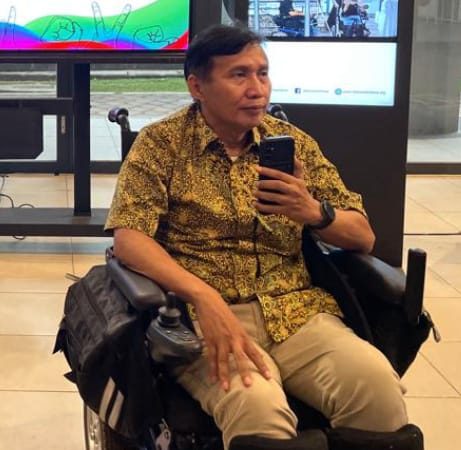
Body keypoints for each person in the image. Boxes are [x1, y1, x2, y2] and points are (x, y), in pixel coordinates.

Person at [105, 24, 419, 450]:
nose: (257, 89)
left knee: (378, 390)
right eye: (239, 75)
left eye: (263, 73)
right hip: (206, 317)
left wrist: (312, 211)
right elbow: (129, 238)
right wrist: (202, 296)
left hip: (298, 313)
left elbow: (362, 236)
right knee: (259, 411)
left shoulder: (293, 145)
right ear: (197, 86)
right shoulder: (161, 145)